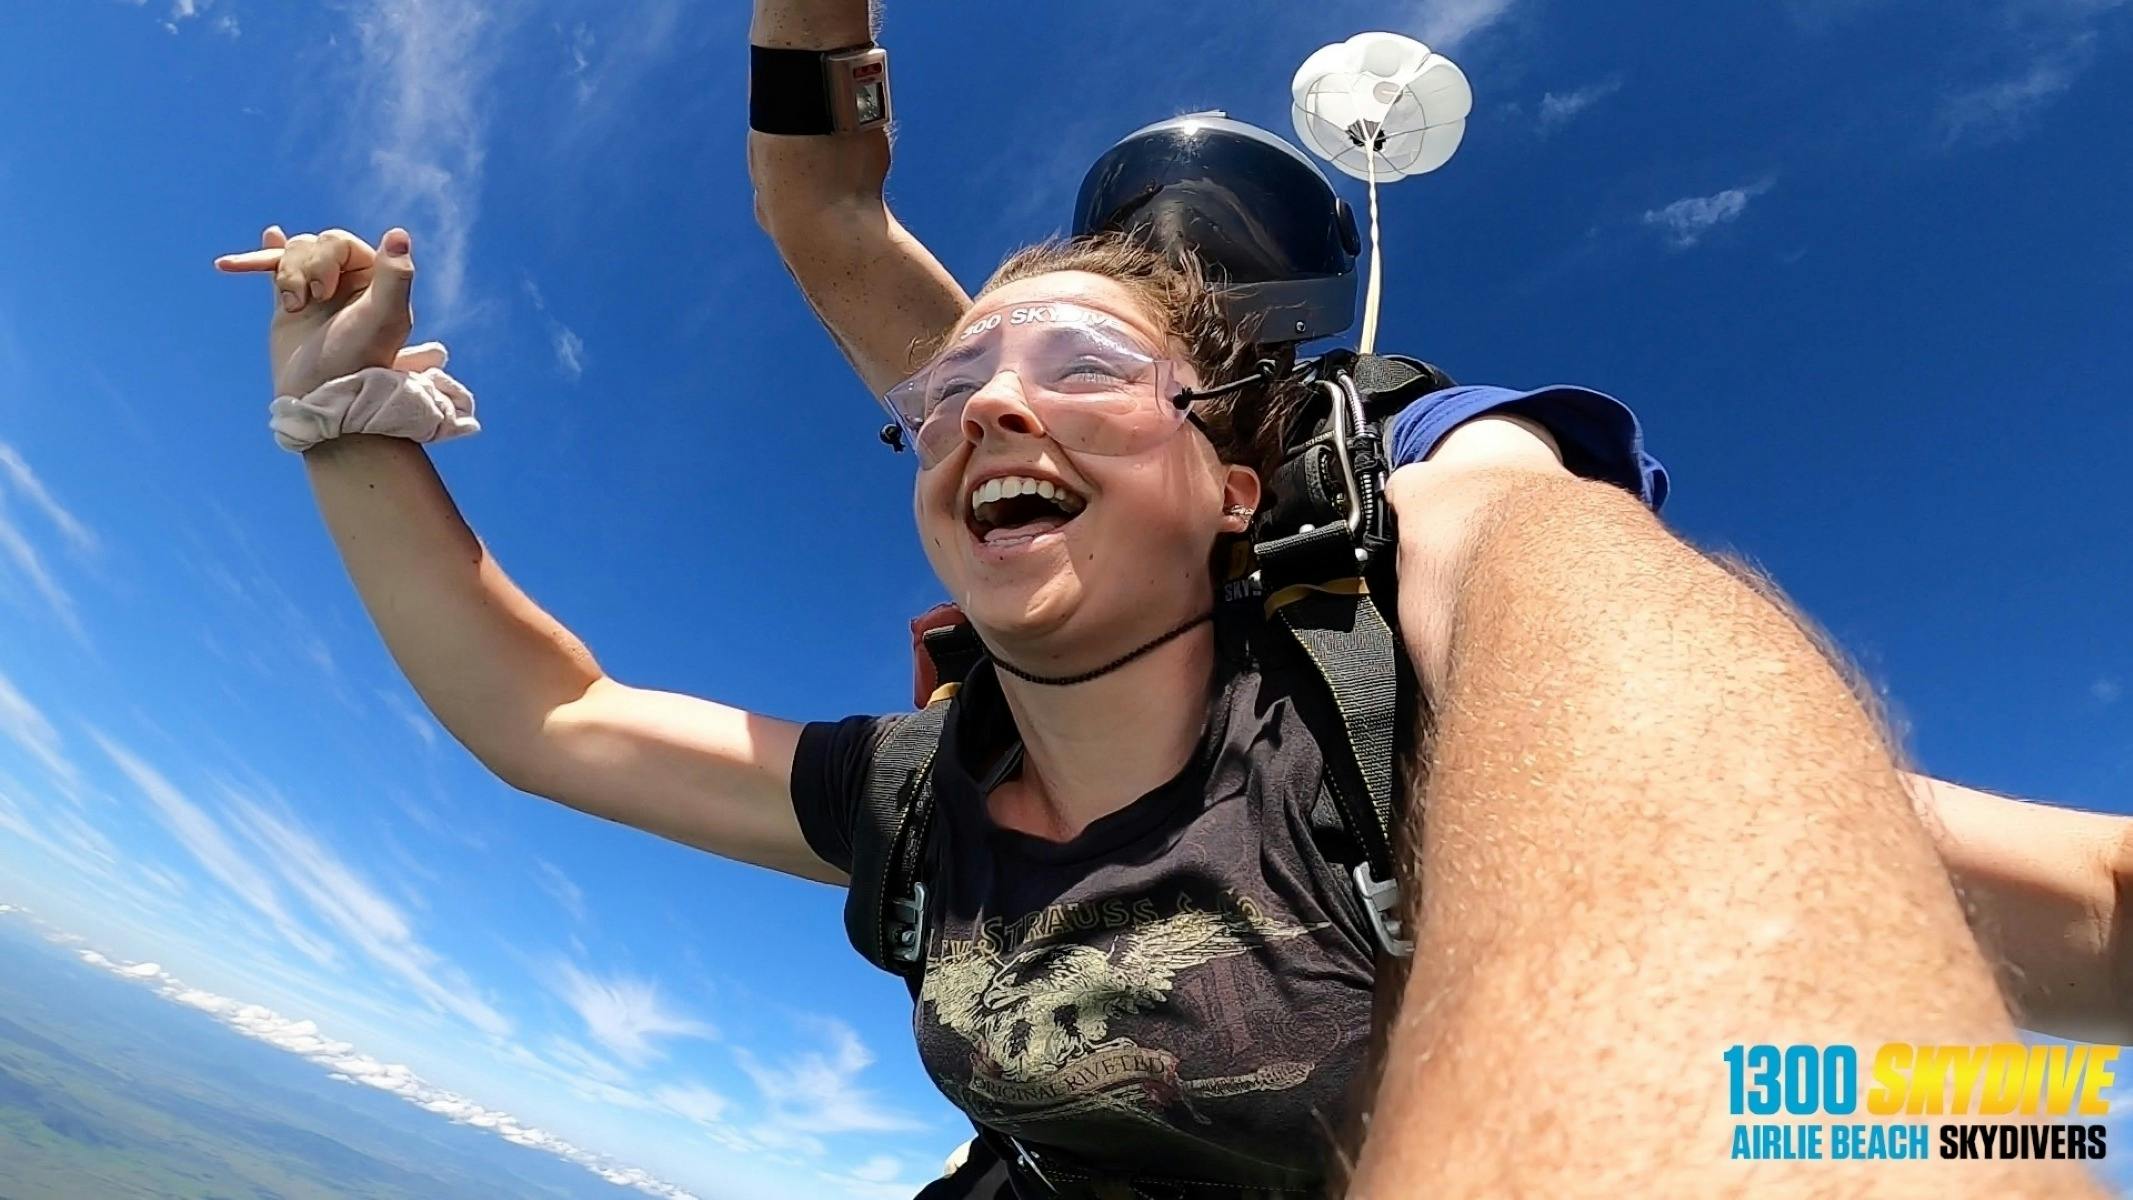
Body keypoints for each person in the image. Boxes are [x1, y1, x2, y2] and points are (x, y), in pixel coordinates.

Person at [218, 210, 2108, 1199]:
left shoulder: (1434, 766)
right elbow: (545, 720)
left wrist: (1945, 1129)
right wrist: (345, 419)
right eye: (949, 382)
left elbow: (2067, 957)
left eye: (1074, 362)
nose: (989, 403)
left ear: (1229, 482)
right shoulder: (911, 795)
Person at [747, 0, 2132, 1049]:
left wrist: (1699, 846)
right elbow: (827, 214)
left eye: (1217, 265)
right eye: (1131, 259)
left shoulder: (1381, 438)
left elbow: (1517, 535)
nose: (1003, 403)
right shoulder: (1022, 380)